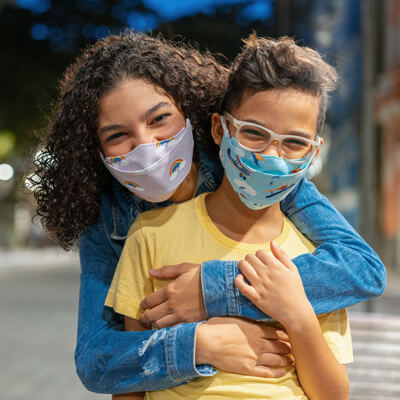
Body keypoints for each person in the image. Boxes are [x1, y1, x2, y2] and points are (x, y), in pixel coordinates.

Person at [30, 31, 385, 395]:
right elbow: (98, 360)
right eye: (118, 136)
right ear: (96, 151)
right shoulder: (113, 219)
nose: (147, 147)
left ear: (189, 112)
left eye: (159, 119)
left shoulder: (253, 169)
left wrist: (214, 290)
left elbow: (360, 268)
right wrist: (202, 343)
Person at [105, 35, 353, 400]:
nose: (272, 156)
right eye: (254, 133)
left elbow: (333, 395)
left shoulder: (315, 261)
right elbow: (131, 380)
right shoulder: (151, 237)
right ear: (221, 130)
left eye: (294, 143)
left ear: (314, 151)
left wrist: (298, 316)